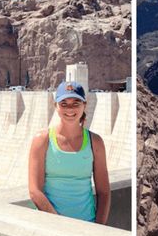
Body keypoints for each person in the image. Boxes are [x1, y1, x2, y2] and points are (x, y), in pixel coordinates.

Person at [28, 81, 110, 224]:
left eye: (76, 103)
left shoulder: (95, 142)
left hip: (87, 225)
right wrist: (61, 226)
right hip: (51, 226)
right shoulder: (42, 140)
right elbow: (35, 191)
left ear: (84, 105)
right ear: (56, 106)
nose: (70, 109)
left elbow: (104, 192)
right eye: (64, 103)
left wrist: (99, 228)